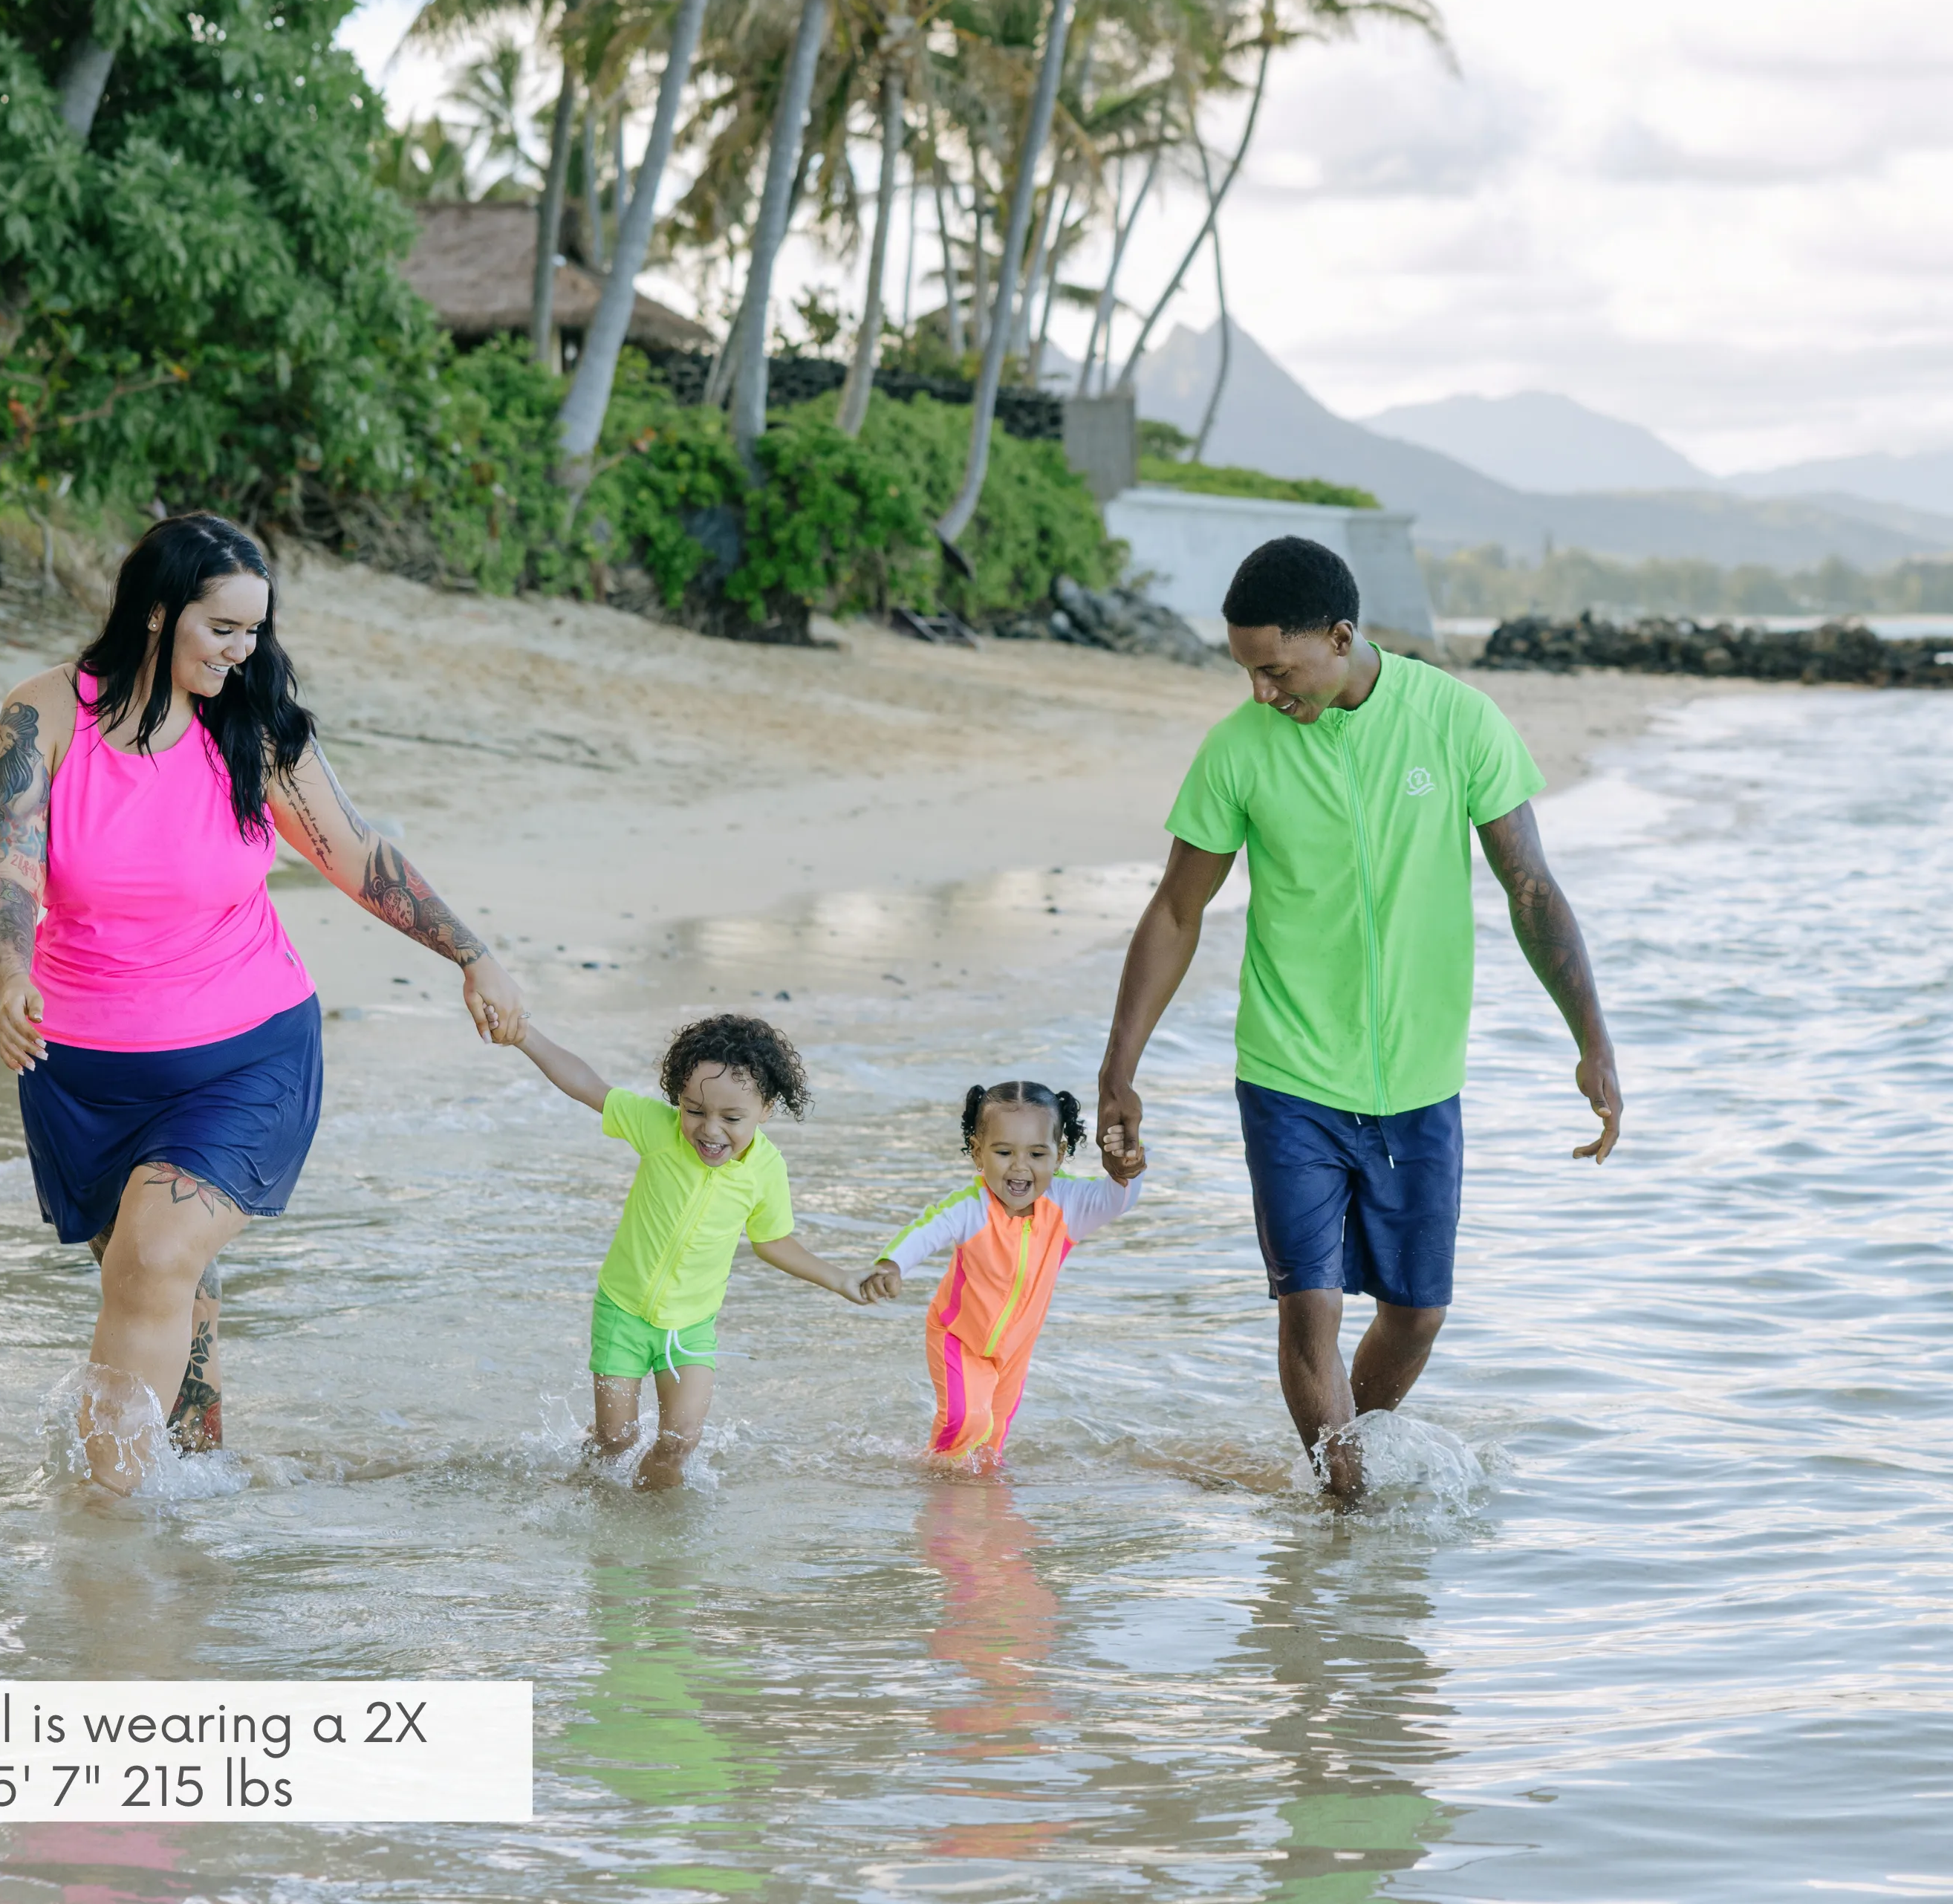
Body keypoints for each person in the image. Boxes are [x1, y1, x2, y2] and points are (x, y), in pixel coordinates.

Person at [0, 512, 524, 1495]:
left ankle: (113, 1518)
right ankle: (203, 1481)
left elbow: (357, 856)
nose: (245, 650)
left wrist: (471, 952)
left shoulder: (253, 730)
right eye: (223, 628)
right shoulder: (45, 716)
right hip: (87, 1070)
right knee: (159, 1280)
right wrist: (11, 975)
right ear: (156, 614)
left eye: (255, 631)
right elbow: (9, 869)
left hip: (246, 1052)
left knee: (150, 1261)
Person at [1096, 536, 1621, 1498]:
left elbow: (1531, 888)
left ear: (1339, 638)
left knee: (1417, 1313)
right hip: (1289, 1073)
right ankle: (1345, 1505)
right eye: (1248, 671)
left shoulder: (1457, 722)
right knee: (1309, 1310)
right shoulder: (1240, 749)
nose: (1264, 691)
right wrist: (1118, 1067)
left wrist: (1592, 1042)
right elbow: (1176, 909)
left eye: (1278, 669)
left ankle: (1353, 1465)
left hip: (1422, 1078)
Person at [499, 1010, 865, 1490]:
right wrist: (526, 1036)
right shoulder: (658, 1129)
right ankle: (578, 1483)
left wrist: (840, 1279)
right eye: (695, 1110)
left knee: (680, 1441)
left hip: (691, 1327)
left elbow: (772, 1240)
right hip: (624, 1313)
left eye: (732, 1118)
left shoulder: (766, 1170)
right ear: (678, 1100)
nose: (710, 1130)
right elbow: (586, 1083)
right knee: (616, 1439)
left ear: (767, 1109)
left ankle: (653, 1528)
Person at [859, 1082, 1145, 1465]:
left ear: (1059, 1156)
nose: (1020, 1166)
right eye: (1004, 1151)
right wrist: (892, 1265)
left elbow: (1117, 1199)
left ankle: (983, 1511)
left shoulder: (1067, 1206)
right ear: (979, 1153)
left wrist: (1128, 1167)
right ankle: (936, 1484)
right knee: (965, 1422)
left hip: (1015, 1352)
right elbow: (928, 1229)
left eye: (1037, 1153)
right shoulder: (972, 1206)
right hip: (959, 1338)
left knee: (992, 1438)